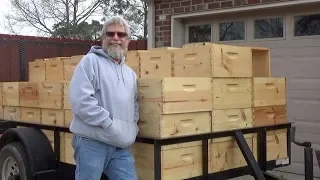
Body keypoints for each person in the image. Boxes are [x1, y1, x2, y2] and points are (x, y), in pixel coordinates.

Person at [68, 16, 139, 180]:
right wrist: (108, 124)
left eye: (121, 35)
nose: (115, 38)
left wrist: (132, 127)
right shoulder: (90, 62)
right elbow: (81, 101)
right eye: (110, 34)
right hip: (92, 143)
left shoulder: (130, 74)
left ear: (127, 40)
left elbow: (134, 104)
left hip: (120, 146)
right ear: (103, 38)